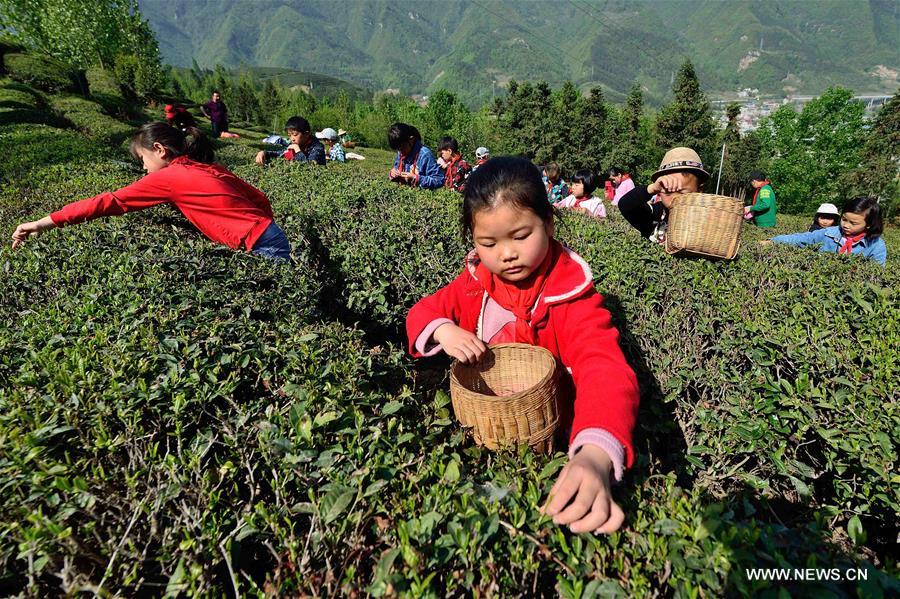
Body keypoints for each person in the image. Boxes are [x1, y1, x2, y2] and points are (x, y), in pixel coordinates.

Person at [406, 157, 639, 535]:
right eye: (488, 242)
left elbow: (605, 367)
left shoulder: (571, 298)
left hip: (548, 444)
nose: (506, 253)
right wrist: (443, 330)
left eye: (521, 236)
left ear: (548, 223)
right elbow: (423, 312)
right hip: (481, 435)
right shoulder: (474, 284)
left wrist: (595, 453)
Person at [11, 122, 292, 261]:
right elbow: (260, 198)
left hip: (259, 242)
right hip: (270, 232)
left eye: (143, 160)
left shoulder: (169, 177)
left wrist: (43, 223)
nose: (144, 169)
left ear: (159, 149)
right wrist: (257, 224)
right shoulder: (207, 166)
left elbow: (108, 202)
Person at [617, 147, 709, 244]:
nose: (675, 199)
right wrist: (651, 189)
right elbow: (625, 205)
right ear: (659, 192)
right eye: (668, 192)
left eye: (682, 193)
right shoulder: (656, 214)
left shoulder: (706, 218)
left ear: (699, 190)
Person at [766, 197, 886, 266]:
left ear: (869, 225)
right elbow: (801, 238)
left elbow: (876, 274)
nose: (845, 225)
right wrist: (772, 241)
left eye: (853, 223)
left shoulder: (876, 246)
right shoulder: (829, 233)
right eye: (844, 219)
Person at [388, 123, 444, 189]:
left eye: (402, 147)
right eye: (397, 148)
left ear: (411, 139)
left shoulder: (425, 154)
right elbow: (396, 168)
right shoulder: (401, 152)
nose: (400, 151)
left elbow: (439, 180)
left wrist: (416, 178)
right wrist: (392, 173)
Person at [255, 117, 326, 166]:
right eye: (289, 135)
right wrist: (264, 153)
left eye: (295, 135)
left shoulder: (317, 147)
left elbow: (310, 166)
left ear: (306, 134)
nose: (292, 138)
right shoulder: (297, 144)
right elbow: (280, 154)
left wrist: (297, 151)